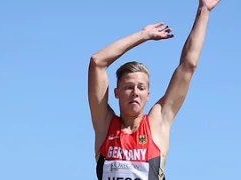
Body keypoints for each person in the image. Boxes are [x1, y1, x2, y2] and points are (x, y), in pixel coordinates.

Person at [88, 0, 220, 179]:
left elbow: (188, 66)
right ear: (116, 93)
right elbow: (97, 62)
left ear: (148, 95)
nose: (135, 92)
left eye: (141, 88)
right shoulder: (105, 125)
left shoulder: (157, 123)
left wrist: (204, 10)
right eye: (128, 87)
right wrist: (143, 35)